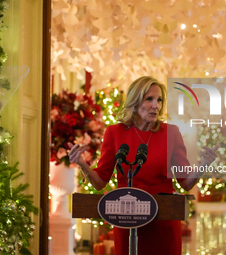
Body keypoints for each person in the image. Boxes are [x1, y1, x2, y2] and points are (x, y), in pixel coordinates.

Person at [68, 76, 217, 255]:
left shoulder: (171, 133)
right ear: (135, 101)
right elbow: (100, 182)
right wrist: (83, 164)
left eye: (159, 100)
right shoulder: (115, 132)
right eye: (150, 99)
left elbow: (185, 182)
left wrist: (203, 165)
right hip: (127, 217)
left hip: (162, 219)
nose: (156, 105)